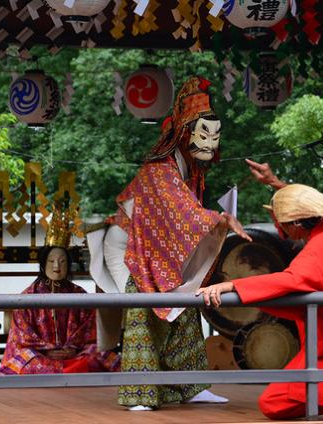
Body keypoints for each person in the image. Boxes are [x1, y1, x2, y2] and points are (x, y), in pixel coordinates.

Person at [87, 76, 250, 410]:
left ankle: (191, 386)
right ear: (184, 132)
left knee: (186, 309)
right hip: (128, 251)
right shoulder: (159, 170)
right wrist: (219, 220)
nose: (211, 142)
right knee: (142, 317)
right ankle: (139, 393)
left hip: (154, 247)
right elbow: (182, 211)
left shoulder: (187, 171)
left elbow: (182, 213)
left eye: (215, 135)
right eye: (204, 133)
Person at [198, 162, 323, 421]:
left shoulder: (320, 248)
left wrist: (234, 284)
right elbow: (313, 207)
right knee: (292, 394)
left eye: (281, 221)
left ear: (295, 224)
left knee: (273, 404)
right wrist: (275, 183)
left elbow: (290, 280)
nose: (281, 229)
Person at [0, 207, 120, 375]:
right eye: (51, 261)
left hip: (74, 355)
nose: (57, 266)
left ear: (68, 265)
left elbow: (91, 333)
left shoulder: (80, 295)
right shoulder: (27, 298)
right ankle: (71, 371)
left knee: (101, 356)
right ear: (42, 264)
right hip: (42, 357)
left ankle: (70, 368)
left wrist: (71, 348)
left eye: (62, 261)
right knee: (27, 361)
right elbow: (21, 338)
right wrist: (48, 350)